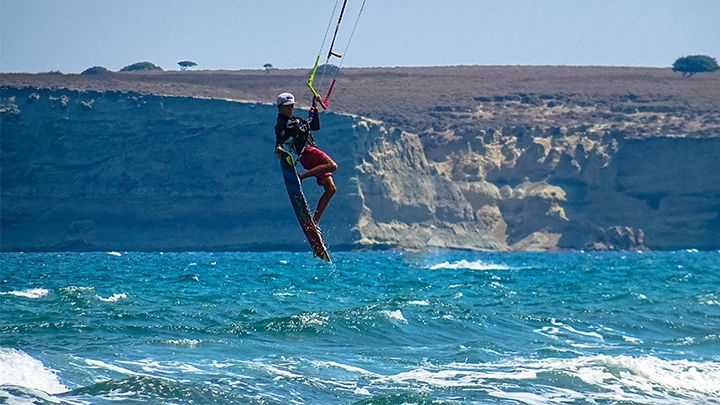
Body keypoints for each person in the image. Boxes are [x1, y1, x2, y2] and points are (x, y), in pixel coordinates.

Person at [274, 92, 338, 225]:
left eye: (291, 106)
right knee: (333, 165)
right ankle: (300, 177)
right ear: (279, 107)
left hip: (312, 154)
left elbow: (315, 126)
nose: (290, 109)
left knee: (331, 189)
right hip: (308, 153)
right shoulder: (282, 124)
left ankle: (314, 223)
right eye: (286, 107)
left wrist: (314, 106)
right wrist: (279, 147)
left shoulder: (297, 120)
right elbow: (280, 137)